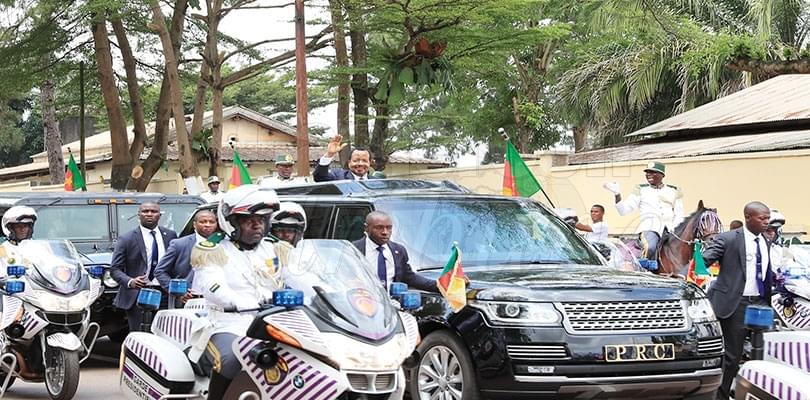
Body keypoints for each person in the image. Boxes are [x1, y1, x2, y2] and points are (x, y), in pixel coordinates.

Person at [192, 185, 284, 399]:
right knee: (233, 358)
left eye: (261, 221)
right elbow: (213, 287)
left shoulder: (275, 248)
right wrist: (239, 302)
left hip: (275, 324)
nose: (257, 226)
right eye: (248, 220)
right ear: (231, 222)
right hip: (227, 324)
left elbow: (299, 278)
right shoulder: (212, 250)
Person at [701, 201, 772, 400]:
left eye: (768, 218)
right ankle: (719, 396)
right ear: (748, 217)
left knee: (759, 352)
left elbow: (766, 272)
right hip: (735, 303)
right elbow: (701, 263)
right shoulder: (728, 239)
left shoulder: (765, 240)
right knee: (731, 357)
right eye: (762, 218)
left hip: (760, 304)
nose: (767, 222)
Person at [109, 202, 177, 331]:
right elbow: (115, 269)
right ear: (138, 215)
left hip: (165, 293)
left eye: (153, 211)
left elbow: (176, 265)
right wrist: (130, 281)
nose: (149, 214)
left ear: (159, 215)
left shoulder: (170, 236)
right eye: (145, 211)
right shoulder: (126, 238)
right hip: (139, 294)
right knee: (141, 335)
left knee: (166, 334)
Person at [604, 161, 684, 263]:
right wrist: (617, 194)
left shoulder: (674, 190)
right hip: (650, 228)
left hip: (671, 228)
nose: (648, 174)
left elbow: (679, 214)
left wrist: (675, 229)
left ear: (662, 175)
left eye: (653, 172)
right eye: (647, 172)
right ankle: (644, 269)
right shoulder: (641, 189)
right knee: (650, 247)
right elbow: (623, 211)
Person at [352, 211, 439, 293]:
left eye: (389, 228)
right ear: (366, 228)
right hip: (364, 304)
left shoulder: (398, 250)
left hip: (392, 304)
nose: (385, 232)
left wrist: (440, 286)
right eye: (379, 228)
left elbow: (410, 278)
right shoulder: (353, 250)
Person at [154, 209, 218, 302]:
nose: (207, 224)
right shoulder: (179, 244)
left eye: (211, 222)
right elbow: (160, 271)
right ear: (194, 224)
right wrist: (177, 292)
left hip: (215, 301)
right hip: (186, 301)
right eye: (203, 222)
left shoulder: (223, 245)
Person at [313, 134, 380, 182]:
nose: (360, 163)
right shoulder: (338, 177)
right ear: (349, 163)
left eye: (364, 161)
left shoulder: (377, 182)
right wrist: (329, 154)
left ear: (369, 163)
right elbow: (319, 177)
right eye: (356, 160)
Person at [0, 206, 38, 274]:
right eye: (18, 226)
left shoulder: (38, 247)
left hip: (36, 284)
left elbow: (50, 267)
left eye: (26, 226)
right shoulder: (3, 250)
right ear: (10, 228)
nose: (22, 229)